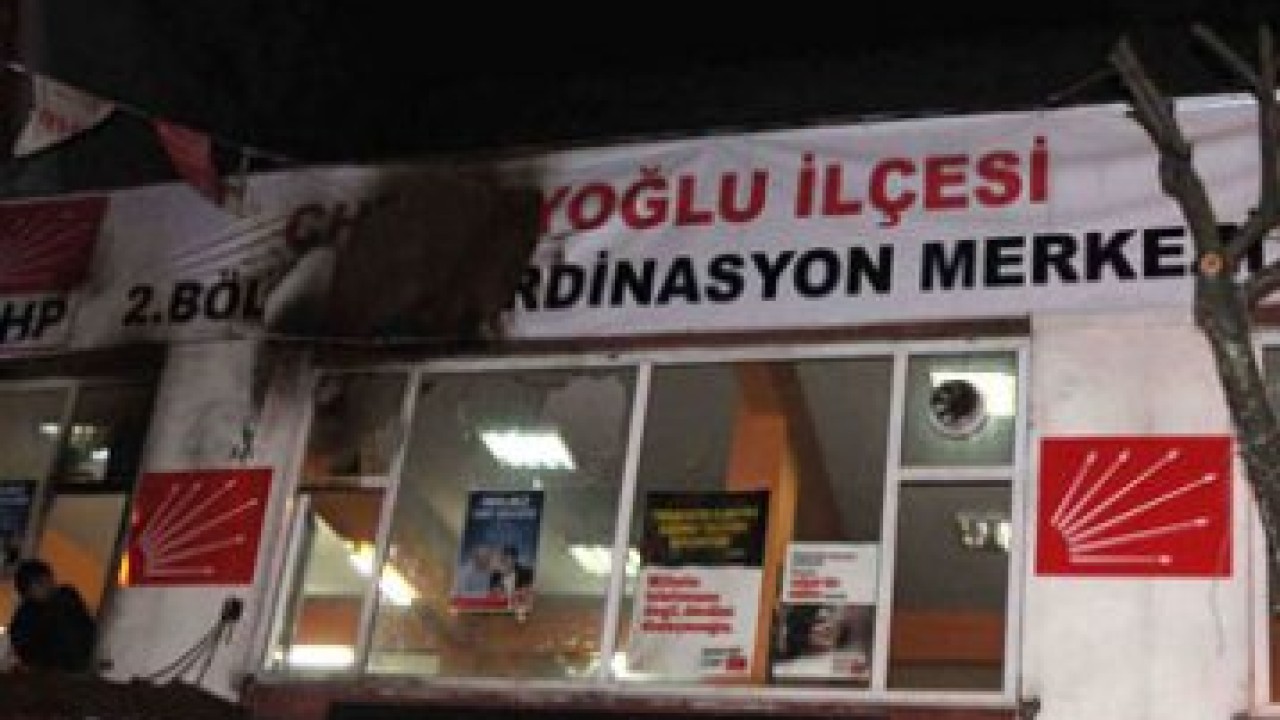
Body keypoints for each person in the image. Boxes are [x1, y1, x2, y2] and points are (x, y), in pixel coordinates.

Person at [8, 559, 96, 673]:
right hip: (55, 673)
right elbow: (28, 652)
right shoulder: (25, 619)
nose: (49, 585)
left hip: (79, 665)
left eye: (49, 579)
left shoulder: (66, 596)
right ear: (27, 592)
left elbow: (86, 628)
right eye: (40, 583)